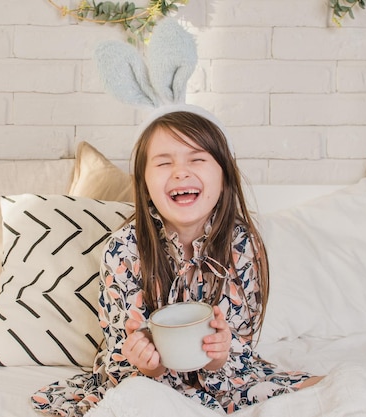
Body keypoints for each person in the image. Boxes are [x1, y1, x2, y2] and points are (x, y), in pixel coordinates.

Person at [31, 108, 323, 417]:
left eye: (197, 159)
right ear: (144, 183)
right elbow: (122, 353)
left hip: (225, 381)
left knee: (316, 395)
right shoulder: (123, 251)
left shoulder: (243, 246)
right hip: (147, 381)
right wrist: (148, 364)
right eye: (163, 163)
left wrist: (217, 355)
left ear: (224, 175)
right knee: (135, 399)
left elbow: (239, 349)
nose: (180, 172)